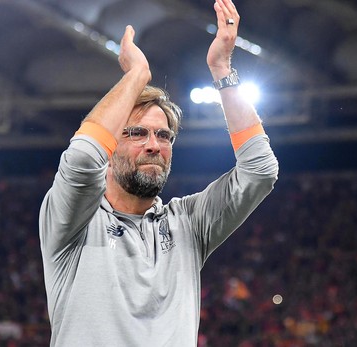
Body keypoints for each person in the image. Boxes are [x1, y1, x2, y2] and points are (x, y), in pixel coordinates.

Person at [38, 0, 279, 345]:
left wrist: (223, 71)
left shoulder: (188, 224)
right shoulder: (73, 220)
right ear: (110, 146)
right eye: (137, 133)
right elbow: (81, 160)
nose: (154, 145)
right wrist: (136, 77)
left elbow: (260, 172)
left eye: (164, 135)